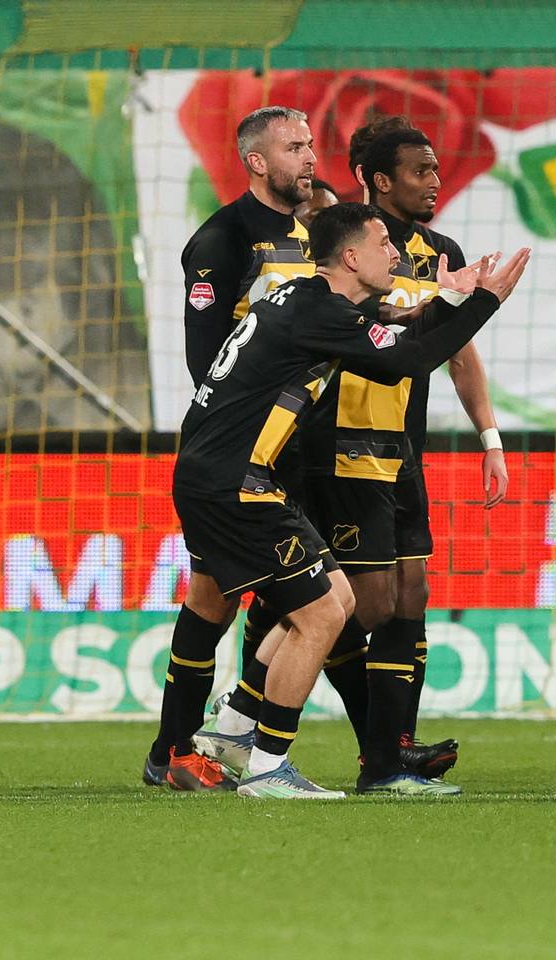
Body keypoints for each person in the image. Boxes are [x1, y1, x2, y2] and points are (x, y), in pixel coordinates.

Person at [168, 202, 529, 798]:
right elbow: (407, 359)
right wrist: (487, 302)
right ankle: (265, 765)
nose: (396, 253)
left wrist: (454, 298)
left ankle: (236, 729)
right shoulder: (316, 311)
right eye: (384, 241)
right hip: (231, 484)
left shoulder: (306, 301)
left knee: (338, 599)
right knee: (321, 614)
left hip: (232, 476)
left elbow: (393, 320)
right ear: (352, 256)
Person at [142, 105, 317, 789]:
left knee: (267, 600)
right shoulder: (222, 239)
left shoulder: (311, 237)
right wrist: (249, 437)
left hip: (295, 447)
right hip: (237, 452)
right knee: (216, 600)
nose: (308, 157)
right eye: (294, 147)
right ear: (256, 161)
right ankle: (177, 748)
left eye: (310, 145)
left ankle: (213, 745)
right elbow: (205, 360)